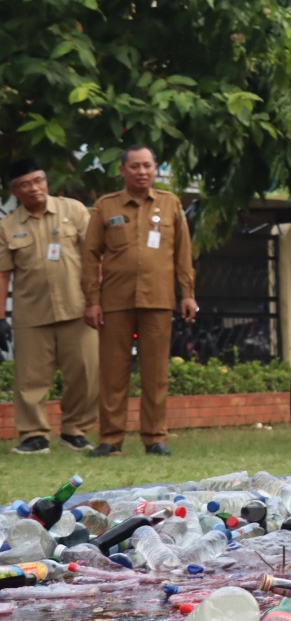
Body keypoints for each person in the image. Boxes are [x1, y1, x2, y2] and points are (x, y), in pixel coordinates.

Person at [81, 145, 198, 457]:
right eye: (135, 166)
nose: (142, 172)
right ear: (123, 170)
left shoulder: (170, 204)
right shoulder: (105, 207)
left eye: (147, 165)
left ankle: (155, 437)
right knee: (112, 372)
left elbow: (183, 254)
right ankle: (110, 439)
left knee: (156, 372)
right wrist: (92, 300)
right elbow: (90, 256)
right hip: (114, 301)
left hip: (158, 299)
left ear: (155, 167)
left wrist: (187, 293)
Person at [0, 159, 97, 454]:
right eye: (26, 184)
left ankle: (75, 431)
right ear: (15, 190)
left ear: (46, 180)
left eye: (39, 180)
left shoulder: (74, 211)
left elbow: (94, 258)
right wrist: (0, 316)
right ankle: (33, 435)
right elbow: (3, 273)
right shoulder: (8, 226)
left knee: (85, 373)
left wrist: (97, 301)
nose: (35, 188)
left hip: (78, 308)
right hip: (32, 313)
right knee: (30, 380)